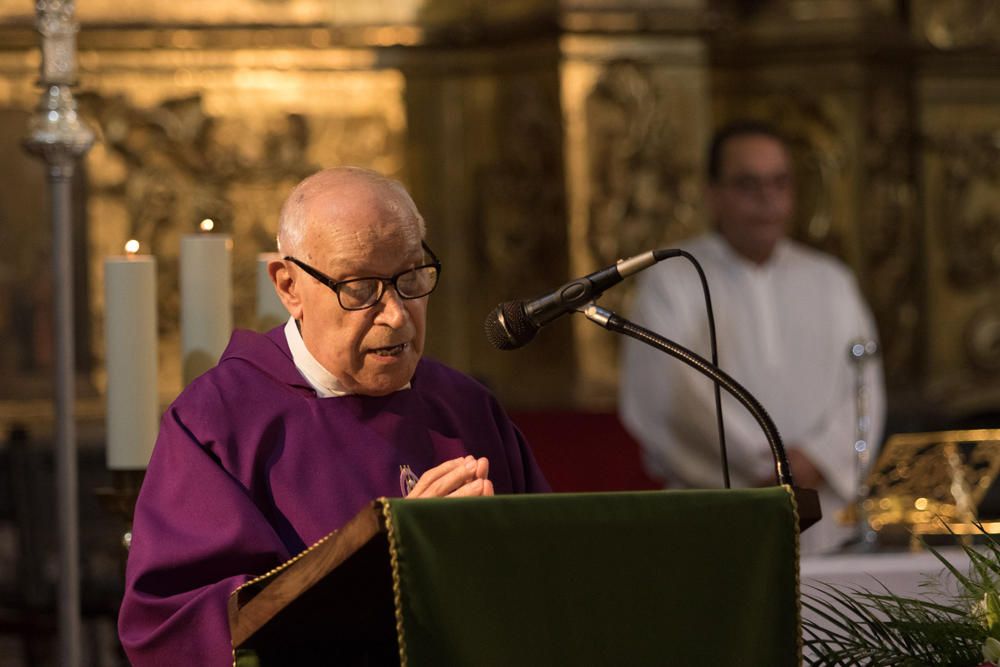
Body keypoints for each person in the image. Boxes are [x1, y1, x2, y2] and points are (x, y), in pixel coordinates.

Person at [118, 167, 550, 665]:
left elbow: (546, 584)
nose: (395, 314)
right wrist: (390, 558)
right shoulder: (218, 422)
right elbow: (176, 626)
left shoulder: (467, 408)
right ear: (289, 286)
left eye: (411, 278)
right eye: (360, 288)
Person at [619, 121, 885, 555]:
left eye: (780, 182)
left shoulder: (831, 280)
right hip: (719, 513)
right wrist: (770, 464)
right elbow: (672, 393)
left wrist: (816, 459)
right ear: (712, 194)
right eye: (748, 184)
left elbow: (865, 389)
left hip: (826, 519)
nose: (768, 198)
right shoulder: (673, 279)